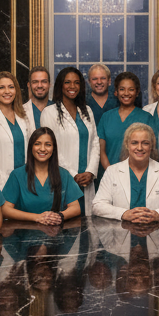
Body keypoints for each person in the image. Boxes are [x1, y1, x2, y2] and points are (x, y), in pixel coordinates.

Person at [93, 122, 159, 223]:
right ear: (127, 144)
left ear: (151, 146)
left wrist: (158, 214)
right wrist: (123, 213)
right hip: (121, 232)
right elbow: (98, 205)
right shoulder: (112, 172)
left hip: (156, 232)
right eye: (134, 143)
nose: (139, 148)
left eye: (145, 143)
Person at [40, 68, 100, 213]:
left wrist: (90, 172)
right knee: (65, 222)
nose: (72, 86)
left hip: (87, 179)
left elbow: (95, 143)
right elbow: (50, 148)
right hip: (63, 176)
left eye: (76, 83)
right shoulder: (50, 112)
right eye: (67, 82)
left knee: (88, 224)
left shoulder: (87, 111)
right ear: (60, 85)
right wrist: (73, 174)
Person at [1, 127, 83, 224]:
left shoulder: (64, 174)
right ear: (31, 147)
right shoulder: (17, 175)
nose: (43, 149)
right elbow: (5, 209)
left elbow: (76, 207)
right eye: (37, 144)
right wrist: (36, 217)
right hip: (24, 233)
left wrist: (59, 216)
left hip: (55, 233)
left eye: (48, 145)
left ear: (54, 148)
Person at [98, 71, 150, 179]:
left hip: (137, 176)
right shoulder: (106, 117)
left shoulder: (146, 118)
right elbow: (101, 150)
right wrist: (111, 173)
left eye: (131, 89)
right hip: (109, 176)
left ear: (137, 92)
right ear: (116, 92)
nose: (126, 93)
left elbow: (150, 150)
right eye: (122, 89)